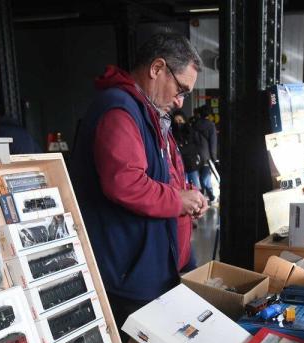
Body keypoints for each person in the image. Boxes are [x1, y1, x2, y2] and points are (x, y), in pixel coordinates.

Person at [69, 33, 207, 327]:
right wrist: (177, 200)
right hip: (132, 273)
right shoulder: (119, 110)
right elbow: (125, 182)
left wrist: (189, 195)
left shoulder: (150, 112)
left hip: (155, 266)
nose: (180, 101)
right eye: (180, 89)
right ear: (157, 68)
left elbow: (164, 173)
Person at [172, 111, 205, 195]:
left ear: (184, 120)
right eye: (176, 121)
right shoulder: (172, 133)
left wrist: (182, 149)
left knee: (196, 188)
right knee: (183, 189)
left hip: (192, 165)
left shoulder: (191, 132)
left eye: (180, 121)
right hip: (180, 167)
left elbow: (196, 147)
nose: (178, 123)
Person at [191, 106, 218, 203]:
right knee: (205, 177)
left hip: (195, 156)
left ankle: (204, 197)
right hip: (207, 157)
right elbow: (213, 142)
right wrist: (214, 158)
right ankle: (210, 197)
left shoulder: (194, 125)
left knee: (200, 178)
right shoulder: (211, 125)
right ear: (209, 115)